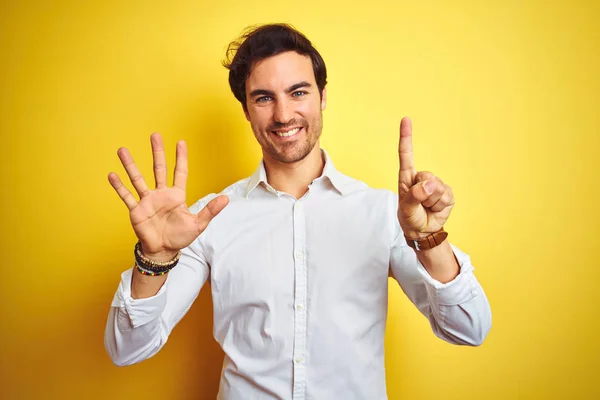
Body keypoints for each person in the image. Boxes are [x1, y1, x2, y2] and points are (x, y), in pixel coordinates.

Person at [105, 23, 491, 400]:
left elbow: (468, 328)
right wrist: (153, 260)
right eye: (263, 97)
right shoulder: (207, 218)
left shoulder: (383, 212)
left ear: (322, 97)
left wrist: (429, 240)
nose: (283, 114)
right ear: (246, 110)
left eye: (298, 92)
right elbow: (127, 349)